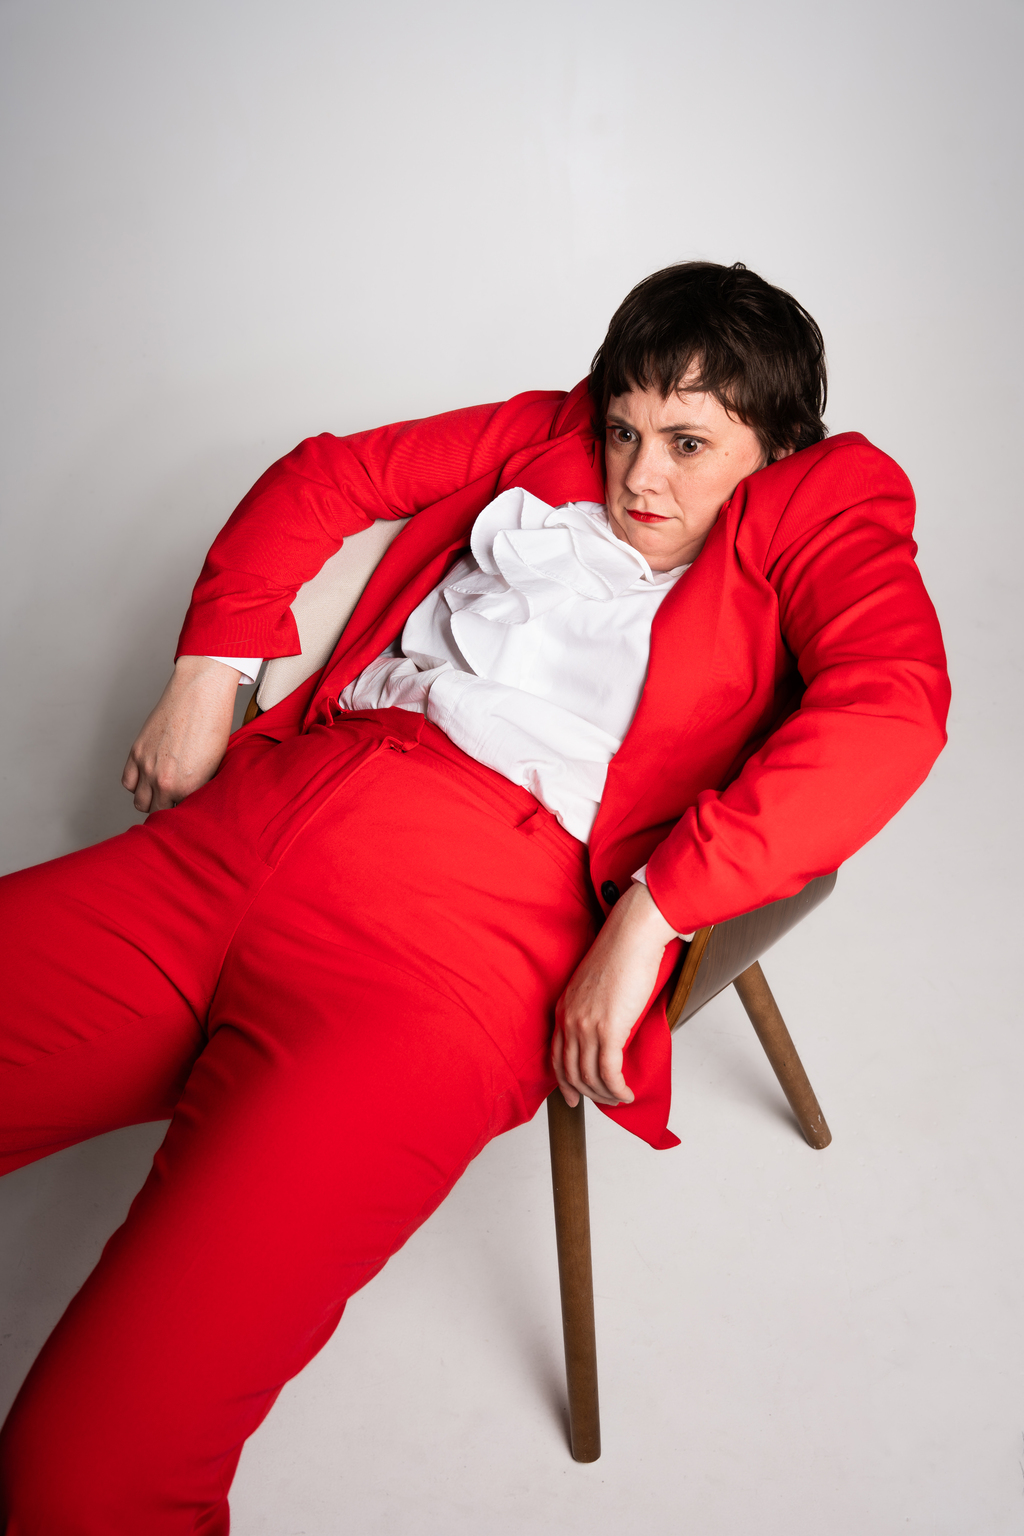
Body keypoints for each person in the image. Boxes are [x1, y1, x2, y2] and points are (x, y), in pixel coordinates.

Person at [0, 261, 949, 1533]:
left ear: (771, 450)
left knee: (82, 1478)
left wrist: (656, 911)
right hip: (237, 838)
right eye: (624, 427)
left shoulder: (822, 509)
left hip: (449, 957)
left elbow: (890, 708)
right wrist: (210, 665)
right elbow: (331, 473)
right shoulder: (548, 433)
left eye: (686, 442)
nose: (636, 476)